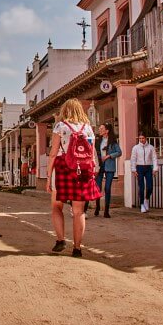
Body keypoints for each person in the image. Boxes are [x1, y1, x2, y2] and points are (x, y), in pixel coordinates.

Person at [47, 98, 101, 258]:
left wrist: (49, 175)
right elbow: (92, 154)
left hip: (63, 168)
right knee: (79, 212)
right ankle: (77, 248)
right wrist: (93, 170)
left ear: (65, 111)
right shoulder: (88, 129)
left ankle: (60, 240)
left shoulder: (60, 126)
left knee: (56, 206)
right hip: (83, 171)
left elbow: (53, 153)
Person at [92, 123, 121, 218]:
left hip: (110, 166)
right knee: (98, 187)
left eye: (101, 128)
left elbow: (119, 152)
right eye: (99, 128)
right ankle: (97, 207)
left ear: (107, 130)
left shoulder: (113, 141)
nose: (99, 130)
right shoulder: (98, 141)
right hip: (100, 166)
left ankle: (106, 211)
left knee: (107, 188)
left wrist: (109, 155)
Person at [130, 133, 158, 213]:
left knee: (150, 186)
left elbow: (154, 158)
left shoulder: (151, 147)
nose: (141, 140)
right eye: (140, 138)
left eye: (143, 138)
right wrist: (134, 169)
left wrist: (155, 168)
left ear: (146, 138)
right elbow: (133, 159)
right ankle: (142, 204)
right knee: (141, 187)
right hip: (139, 168)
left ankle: (146, 199)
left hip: (148, 168)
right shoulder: (135, 148)